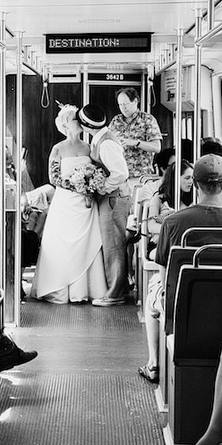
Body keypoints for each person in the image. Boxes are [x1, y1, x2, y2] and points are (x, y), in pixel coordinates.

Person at [146, 154, 222, 385]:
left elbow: (165, 274)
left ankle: (153, 363)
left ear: (197, 184)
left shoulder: (173, 222)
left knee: (154, 291)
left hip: (185, 309)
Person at [32, 103, 107, 304]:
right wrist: (77, 185)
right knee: (62, 245)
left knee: (87, 243)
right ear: (65, 125)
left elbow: (98, 172)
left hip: (85, 204)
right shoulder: (58, 149)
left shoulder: (89, 148)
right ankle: (60, 288)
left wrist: (89, 186)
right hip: (65, 202)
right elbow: (54, 177)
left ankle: (85, 289)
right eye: (76, 119)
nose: (80, 122)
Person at [138, 159, 194, 383]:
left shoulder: (194, 200)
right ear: (175, 178)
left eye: (192, 178)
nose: (191, 182)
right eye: (186, 178)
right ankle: (154, 361)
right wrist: (175, 227)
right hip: (161, 244)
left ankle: (154, 364)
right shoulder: (159, 199)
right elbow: (150, 226)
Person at [76, 103, 131, 306]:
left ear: (86, 127)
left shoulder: (106, 144)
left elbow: (120, 173)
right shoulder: (102, 139)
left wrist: (101, 188)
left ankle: (115, 294)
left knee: (113, 245)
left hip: (114, 198)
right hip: (113, 197)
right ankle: (119, 288)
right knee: (112, 243)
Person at [108, 87, 162, 179]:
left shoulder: (147, 119)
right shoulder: (115, 121)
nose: (123, 108)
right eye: (120, 104)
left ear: (135, 101)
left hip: (140, 177)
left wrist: (137, 143)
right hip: (118, 177)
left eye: (126, 104)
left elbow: (157, 147)